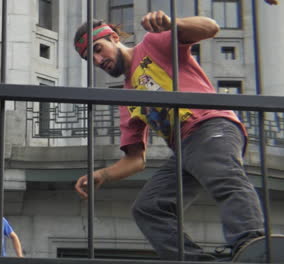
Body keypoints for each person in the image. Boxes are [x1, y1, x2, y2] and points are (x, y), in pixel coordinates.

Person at [73, 11, 265, 261]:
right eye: (91, 58)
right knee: (149, 208)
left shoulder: (153, 44)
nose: (99, 60)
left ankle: (253, 243)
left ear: (114, 38)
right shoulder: (126, 98)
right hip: (186, 150)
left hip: (210, 125)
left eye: (99, 49)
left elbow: (210, 27)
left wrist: (173, 24)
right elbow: (136, 160)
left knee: (224, 177)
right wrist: (101, 174)